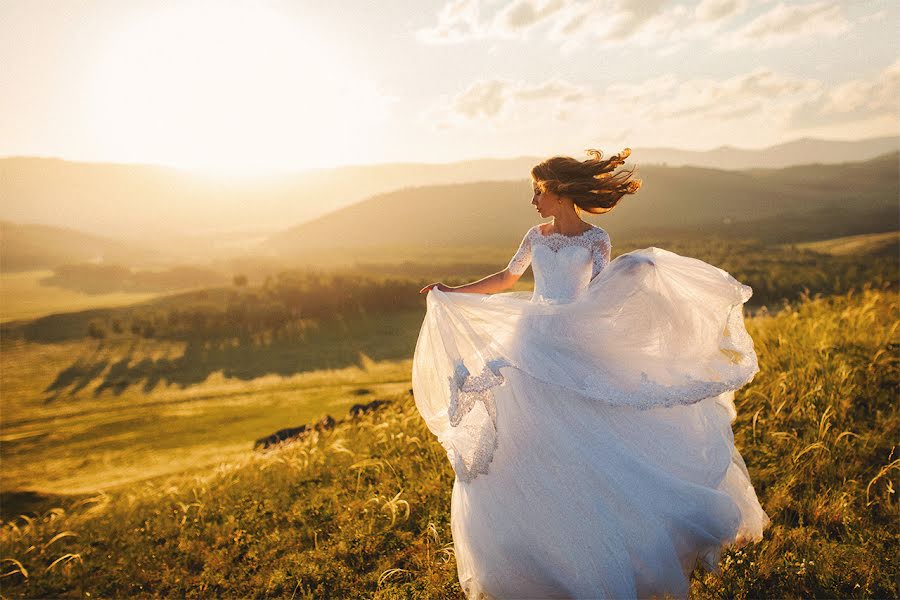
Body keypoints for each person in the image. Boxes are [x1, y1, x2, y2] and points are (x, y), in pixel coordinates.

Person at [412, 148, 770, 599]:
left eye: (538, 192)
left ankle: (602, 536)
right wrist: (451, 292)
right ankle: (533, 545)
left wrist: (637, 273)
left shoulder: (596, 239)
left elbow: (601, 293)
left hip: (575, 343)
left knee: (589, 433)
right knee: (522, 438)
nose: (534, 201)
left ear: (560, 193)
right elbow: (507, 277)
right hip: (531, 340)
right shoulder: (536, 236)